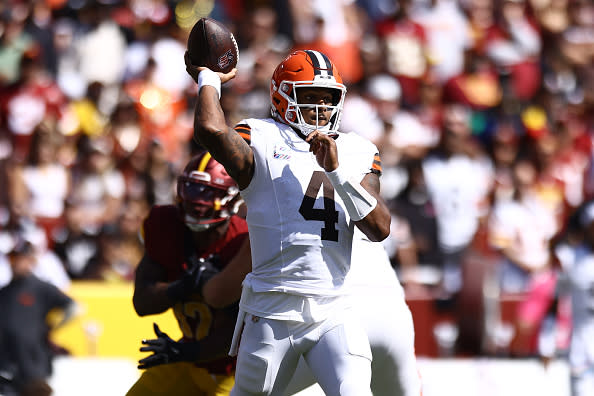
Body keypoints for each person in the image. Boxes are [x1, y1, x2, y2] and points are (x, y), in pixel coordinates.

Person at [186, 48, 391, 396]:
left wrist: (336, 172)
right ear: (281, 95)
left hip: (334, 307)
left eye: (327, 99)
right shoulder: (261, 136)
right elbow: (209, 128)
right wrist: (209, 78)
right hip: (271, 308)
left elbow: (379, 229)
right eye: (308, 96)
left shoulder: (358, 150)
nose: (319, 108)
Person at [126, 151, 252, 396]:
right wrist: (181, 287)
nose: (197, 200)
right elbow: (142, 303)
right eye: (193, 189)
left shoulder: (242, 242)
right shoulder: (165, 224)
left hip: (234, 370)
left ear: (232, 197)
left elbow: (237, 335)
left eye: (208, 191)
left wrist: (183, 352)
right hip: (188, 357)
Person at [283, 229, 422, 396]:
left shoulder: (277, 204)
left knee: (250, 387)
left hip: (334, 315)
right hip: (390, 309)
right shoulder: (369, 205)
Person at [0, 237, 78, 396]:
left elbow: (74, 307)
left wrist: (53, 328)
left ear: (31, 261)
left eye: (21, 258)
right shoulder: (5, 291)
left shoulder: (40, 287)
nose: (15, 262)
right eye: (13, 258)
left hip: (34, 362)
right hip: (8, 363)